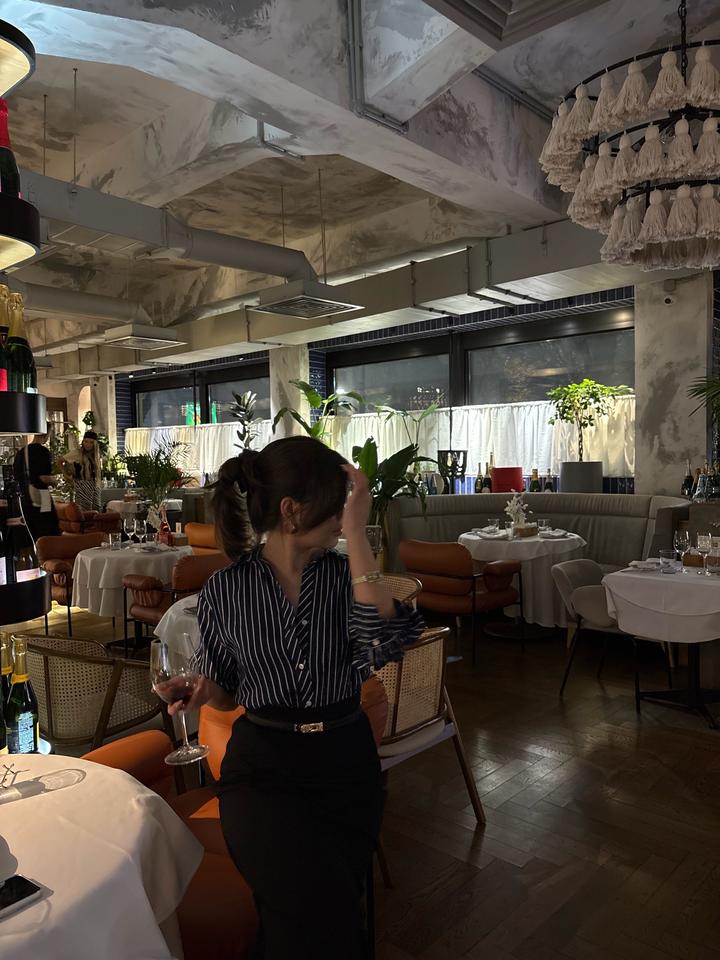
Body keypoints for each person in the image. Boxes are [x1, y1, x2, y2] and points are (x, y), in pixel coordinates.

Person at [174, 436, 424, 959]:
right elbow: (226, 695)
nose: (341, 518)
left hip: (344, 764)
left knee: (325, 909)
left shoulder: (345, 578)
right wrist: (203, 691)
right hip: (261, 770)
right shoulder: (225, 590)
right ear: (291, 511)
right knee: (309, 910)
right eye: (335, 507)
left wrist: (357, 532)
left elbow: (383, 638)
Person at [12, 430, 60, 539]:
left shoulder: (22, 452)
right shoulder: (43, 452)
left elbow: (16, 475)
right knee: (50, 530)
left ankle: (38, 550)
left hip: (25, 497)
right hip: (42, 496)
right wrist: (54, 482)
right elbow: (44, 477)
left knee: (32, 532)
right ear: (46, 434)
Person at [61, 430, 102, 512]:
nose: (88, 444)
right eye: (86, 442)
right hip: (82, 484)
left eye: (91, 442)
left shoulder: (95, 455)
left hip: (94, 484)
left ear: (94, 444)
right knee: (84, 510)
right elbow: (59, 461)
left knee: (96, 509)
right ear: (83, 442)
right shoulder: (77, 453)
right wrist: (66, 475)